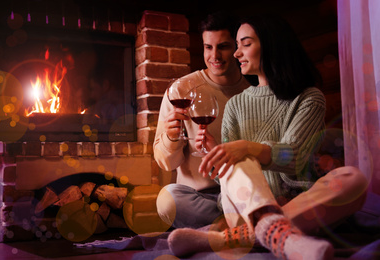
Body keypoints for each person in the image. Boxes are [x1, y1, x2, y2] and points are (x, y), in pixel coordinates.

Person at [167, 14, 368, 260]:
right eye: (237, 45)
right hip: (243, 206)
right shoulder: (236, 105)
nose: (236, 54)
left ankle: (233, 236)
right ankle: (275, 231)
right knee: (181, 191)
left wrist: (247, 147)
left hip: (296, 202)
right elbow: (227, 183)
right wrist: (218, 152)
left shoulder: (308, 98)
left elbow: (294, 158)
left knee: (353, 179)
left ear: (271, 44)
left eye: (246, 44)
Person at [153, 11, 250, 229]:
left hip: (240, 194)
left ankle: (221, 228)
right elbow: (166, 163)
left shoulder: (252, 93)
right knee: (169, 199)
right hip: (198, 197)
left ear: (237, 47)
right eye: (208, 47)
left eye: (223, 46)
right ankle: (235, 226)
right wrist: (170, 137)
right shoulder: (180, 90)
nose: (215, 55)